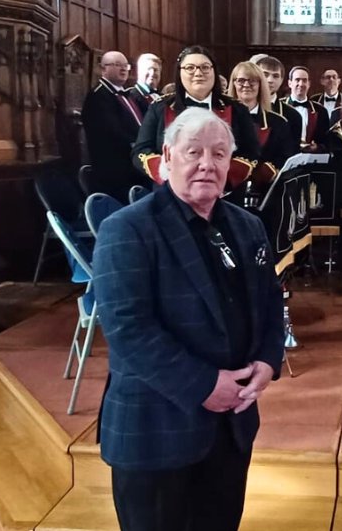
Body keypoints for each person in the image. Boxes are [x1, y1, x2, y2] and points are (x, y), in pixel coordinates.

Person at [94, 108, 285, 531]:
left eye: (219, 154)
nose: (207, 163)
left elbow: (272, 302)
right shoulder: (126, 229)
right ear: (166, 156)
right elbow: (128, 329)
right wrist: (202, 385)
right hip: (157, 430)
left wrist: (269, 362)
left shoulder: (248, 226)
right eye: (193, 151)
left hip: (230, 427)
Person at [132, 46, 260, 191]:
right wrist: (168, 175)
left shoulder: (238, 109)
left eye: (205, 67)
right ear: (180, 72)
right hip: (171, 194)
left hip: (225, 194)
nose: (198, 73)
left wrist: (221, 178)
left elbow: (251, 151)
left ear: (214, 72)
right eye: (190, 68)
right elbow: (141, 150)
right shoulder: (160, 108)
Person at [82, 50, 151, 201]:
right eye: (117, 65)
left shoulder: (126, 94)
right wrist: (141, 146)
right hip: (115, 171)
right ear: (103, 69)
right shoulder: (98, 96)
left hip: (133, 164)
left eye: (126, 65)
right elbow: (113, 132)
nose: (124, 69)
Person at [227, 61, 296, 183]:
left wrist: (264, 173)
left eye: (252, 80)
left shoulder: (279, 123)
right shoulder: (222, 119)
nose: (246, 85)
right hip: (227, 187)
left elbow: (285, 158)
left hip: (265, 190)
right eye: (241, 80)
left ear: (260, 85)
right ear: (234, 84)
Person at [280, 65, 331, 151]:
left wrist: (317, 148)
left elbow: (326, 142)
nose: (301, 84)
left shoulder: (321, 111)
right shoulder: (278, 107)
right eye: (297, 80)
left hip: (310, 160)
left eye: (304, 80)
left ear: (309, 84)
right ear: (290, 83)